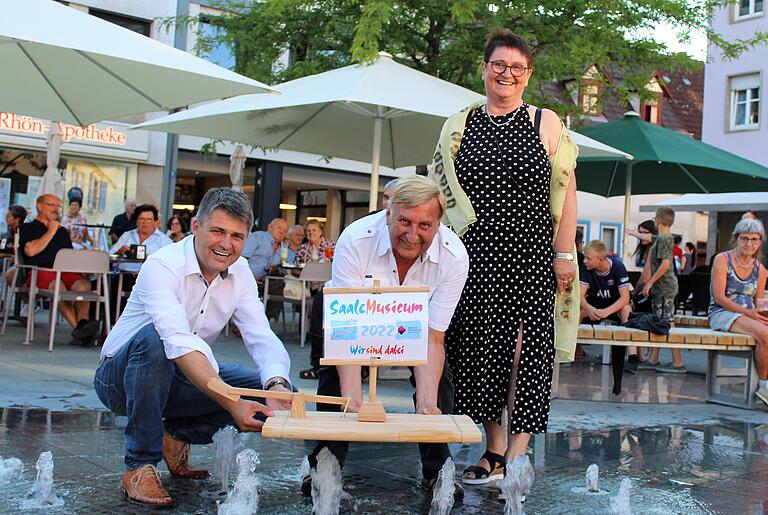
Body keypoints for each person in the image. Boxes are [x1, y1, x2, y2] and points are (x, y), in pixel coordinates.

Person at [427, 29, 579, 486]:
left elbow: (568, 189)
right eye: (498, 65)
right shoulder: (460, 124)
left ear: (527, 75)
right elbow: (441, 190)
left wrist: (566, 252)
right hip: (472, 257)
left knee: (524, 354)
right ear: (484, 69)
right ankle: (492, 449)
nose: (506, 74)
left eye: (516, 67)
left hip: (531, 254)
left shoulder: (545, 122)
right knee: (479, 352)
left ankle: (517, 453)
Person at [95, 188, 292, 507]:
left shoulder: (240, 273)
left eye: (237, 236)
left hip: (179, 379)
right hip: (119, 379)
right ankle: (140, 465)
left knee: (274, 392)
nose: (226, 245)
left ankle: (177, 433)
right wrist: (230, 402)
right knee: (154, 339)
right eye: (217, 231)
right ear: (196, 227)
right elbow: (176, 339)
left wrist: (277, 385)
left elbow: (261, 336)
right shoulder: (163, 264)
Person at [303, 175, 469, 497]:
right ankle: (324, 466)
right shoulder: (355, 239)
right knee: (336, 384)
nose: (412, 234)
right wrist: (352, 397)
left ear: (438, 224)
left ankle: (438, 471)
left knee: (440, 387)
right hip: (356, 322)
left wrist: (427, 405)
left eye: (424, 225)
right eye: (404, 221)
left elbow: (433, 338)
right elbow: (346, 330)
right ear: (388, 212)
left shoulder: (454, 256)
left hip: (416, 327)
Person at [19, 194, 99, 346]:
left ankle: (81, 325)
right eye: (51, 205)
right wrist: (51, 231)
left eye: (58, 206)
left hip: (65, 270)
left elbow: (69, 255)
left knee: (84, 285)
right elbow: (30, 251)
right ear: (39, 206)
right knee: (58, 287)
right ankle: (81, 331)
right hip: (40, 271)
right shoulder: (28, 228)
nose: (56, 209)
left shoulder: (62, 231)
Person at [708, 219, 768, 404]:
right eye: (744, 238)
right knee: (765, 334)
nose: (749, 243)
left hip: (748, 315)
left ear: (760, 242)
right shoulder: (722, 259)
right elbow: (719, 297)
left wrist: (760, 313)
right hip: (722, 313)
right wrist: (749, 313)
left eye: (754, 239)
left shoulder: (760, 269)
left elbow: (759, 302)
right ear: (736, 239)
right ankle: (764, 386)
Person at [628, 207, 682, 373]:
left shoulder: (665, 240)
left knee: (667, 322)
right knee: (660, 320)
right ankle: (653, 359)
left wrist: (650, 283)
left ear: (657, 220)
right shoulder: (663, 238)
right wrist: (632, 233)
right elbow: (649, 237)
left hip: (665, 287)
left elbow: (665, 264)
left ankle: (678, 362)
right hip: (663, 288)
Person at [578, 240, 634, 370]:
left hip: (614, 305)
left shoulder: (618, 267)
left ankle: (632, 356)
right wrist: (590, 309)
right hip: (595, 303)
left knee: (627, 310)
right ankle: (571, 350)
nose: (585, 261)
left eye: (588, 258)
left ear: (601, 259)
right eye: (584, 257)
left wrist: (606, 312)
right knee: (578, 310)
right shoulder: (585, 268)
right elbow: (579, 295)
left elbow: (625, 298)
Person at [110, 205, 173, 317]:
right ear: (136, 221)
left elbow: (170, 263)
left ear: (155, 221)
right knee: (112, 285)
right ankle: (112, 323)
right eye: (141, 219)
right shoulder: (127, 236)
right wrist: (120, 251)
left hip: (151, 279)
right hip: (124, 277)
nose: (145, 223)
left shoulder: (164, 240)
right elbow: (110, 256)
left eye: (149, 219)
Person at [241, 217, 288, 321]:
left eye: (284, 231)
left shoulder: (282, 248)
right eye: (279, 228)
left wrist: (274, 269)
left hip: (266, 281)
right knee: (277, 287)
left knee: (280, 285)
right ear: (270, 227)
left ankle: (260, 321)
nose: (281, 232)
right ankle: (254, 321)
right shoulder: (258, 237)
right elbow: (241, 259)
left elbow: (283, 269)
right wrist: (250, 276)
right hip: (248, 279)